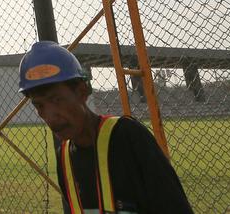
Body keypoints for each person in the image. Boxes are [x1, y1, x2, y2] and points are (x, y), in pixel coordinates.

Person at [18, 42, 193, 213]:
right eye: (39, 106)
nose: (50, 116)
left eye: (57, 100)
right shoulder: (64, 157)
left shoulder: (128, 137)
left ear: (82, 91)